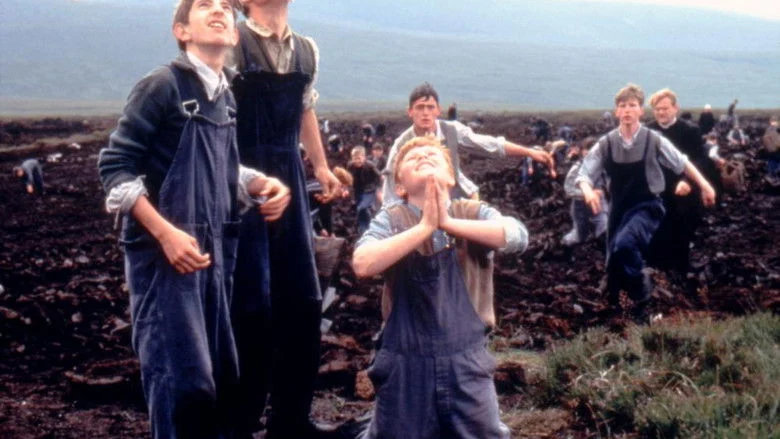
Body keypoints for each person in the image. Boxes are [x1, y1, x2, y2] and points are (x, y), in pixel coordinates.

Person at [96, 1, 291, 437]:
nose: (219, 10)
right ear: (181, 31)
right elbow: (115, 167)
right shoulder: (162, 85)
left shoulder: (225, 96)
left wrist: (261, 183)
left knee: (213, 383)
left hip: (213, 258)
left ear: (236, 35)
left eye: (225, 7)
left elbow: (223, 169)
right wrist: (166, 235)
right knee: (177, 386)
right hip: (166, 261)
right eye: (204, 4)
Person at [353, 136, 527, 438]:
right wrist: (424, 228)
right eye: (413, 157)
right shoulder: (392, 219)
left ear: (451, 178)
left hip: (467, 363)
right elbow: (363, 263)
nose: (423, 156)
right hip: (404, 365)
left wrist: (447, 223)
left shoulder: (472, 212)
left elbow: (516, 236)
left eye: (432, 154)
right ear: (400, 187)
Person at [230, 1, 342, 436]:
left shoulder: (307, 50)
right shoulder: (233, 42)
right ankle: (240, 421)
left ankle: (291, 420)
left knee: (303, 298)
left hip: (290, 177)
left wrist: (321, 166)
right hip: (240, 178)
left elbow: (305, 108)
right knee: (249, 302)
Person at [577, 84, 716, 324]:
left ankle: (644, 303)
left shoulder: (653, 140)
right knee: (613, 262)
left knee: (625, 245)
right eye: (622, 106)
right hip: (619, 208)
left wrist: (704, 185)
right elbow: (584, 174)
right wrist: (588, 191)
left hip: (647, 205)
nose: (627, 110)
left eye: (632, 105)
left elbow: (682, 162)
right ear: (616, 111)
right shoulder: (607, 143)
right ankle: (618, 313)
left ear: (641, 111)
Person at [381, 82, 555, 206]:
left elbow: (490, 145)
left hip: (457, 196)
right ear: (410, 112)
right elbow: (390, 193)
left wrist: (529, 152)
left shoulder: (451, 130)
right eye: (420, 107)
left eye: (430, 107)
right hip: (417, 203)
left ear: (438, 110)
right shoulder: (401, 145)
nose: (425, 113)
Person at [646, 88, 714, 276]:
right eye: (657, 109)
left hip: (683, 190)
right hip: (656, 190)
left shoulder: (690, 131)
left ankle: (680, 273)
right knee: (655, 231)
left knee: (681, 231)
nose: (661, 112)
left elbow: (700, 160)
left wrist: (687, 181)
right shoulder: (648, 131)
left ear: (675, 108)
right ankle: (656, 275)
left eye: (665, 108)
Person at [562, 138, 608, 247]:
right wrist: (586, 194)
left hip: (599, 202)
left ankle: (608, 250)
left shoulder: (602, 166)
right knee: (580, 235)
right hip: (580, 205)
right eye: (588, 150)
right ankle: (565, 243)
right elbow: (568, 189)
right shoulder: (576, 168)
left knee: (604, 227)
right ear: (582, 151)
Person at [347, 146, 382, 234]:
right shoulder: (350, 166)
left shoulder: (370, 166)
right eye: (355, 159)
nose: (357, 161)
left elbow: (379, 176)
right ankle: (371, 225)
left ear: (364, 158)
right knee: (361, 209)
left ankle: (364, 229)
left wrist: (379, 189)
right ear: (352, 158)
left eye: (359, 158)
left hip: (369, 190)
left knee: (361, 208)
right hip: (357, 190)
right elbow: (347, 179)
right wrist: (346, 189)